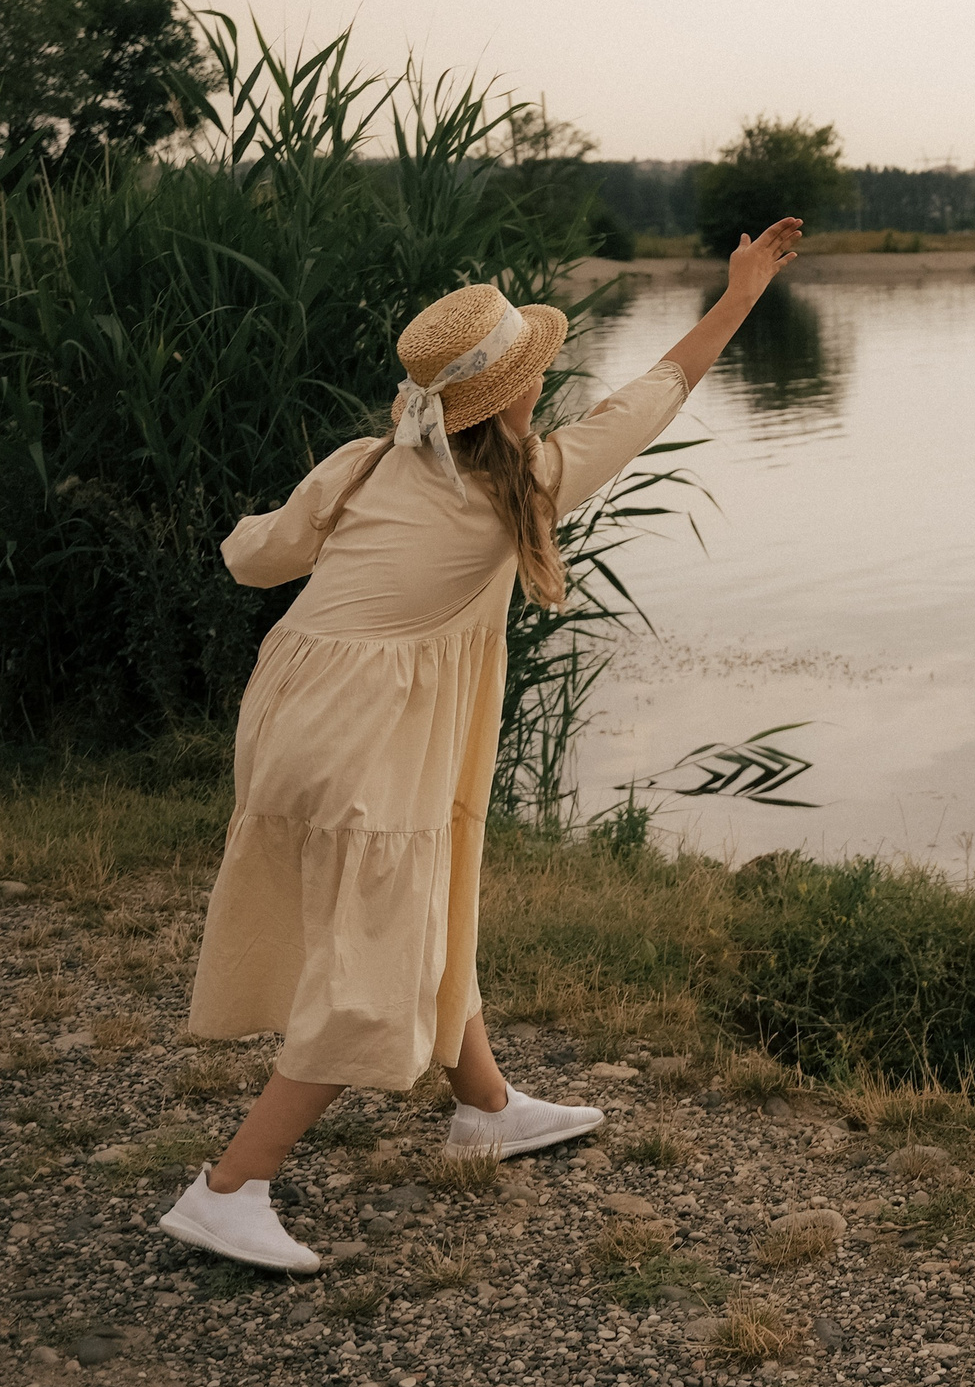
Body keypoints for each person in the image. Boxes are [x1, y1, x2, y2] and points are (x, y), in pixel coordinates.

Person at [156, 218, 806, 1272]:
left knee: (423, 903)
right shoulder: (526, 484)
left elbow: (255, 560)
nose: (542, 389)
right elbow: (652, 398)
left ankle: (487, 1107)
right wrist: (738, 294)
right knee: (380, 963)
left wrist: (262, 531)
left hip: (288, 710)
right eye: (533, 376)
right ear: (505, 398)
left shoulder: (363, 465)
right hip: (370, 739)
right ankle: (230, 1186)